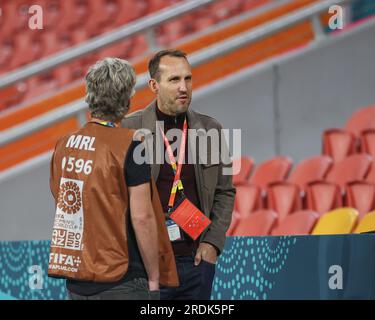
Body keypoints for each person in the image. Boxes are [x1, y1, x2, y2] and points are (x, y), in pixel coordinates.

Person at [48, 57, 178, 300]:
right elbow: (142, 217)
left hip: (77, 281)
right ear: (127, 100)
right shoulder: (132, 144)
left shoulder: (63, 145)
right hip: (122, 280)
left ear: (90, 95)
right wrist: (153, 279)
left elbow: (63, 199)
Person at [122, 49, 235, 300]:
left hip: (196, 262)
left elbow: (225, 191)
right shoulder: (129, 128)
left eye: (188, 79)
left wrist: (212, 244)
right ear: (154, 85)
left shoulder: (211, 129)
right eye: (174, 80)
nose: (183, 87)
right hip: (147, 267)